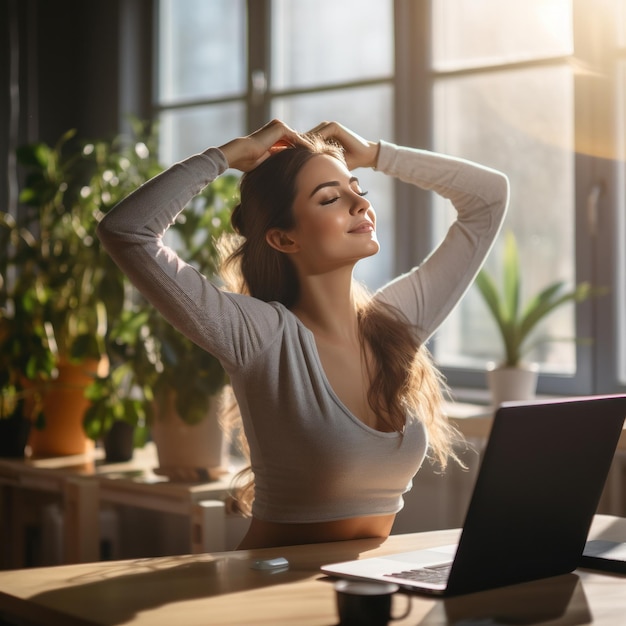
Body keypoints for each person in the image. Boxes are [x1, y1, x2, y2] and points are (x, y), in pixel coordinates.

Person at [97, 119, 509, 549]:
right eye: (330, 198)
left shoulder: (395, 324)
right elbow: (127, 232)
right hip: (271, 591)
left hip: (363, 587)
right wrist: (226, 156)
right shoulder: (259, 334)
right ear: (283, 239)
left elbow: (489, 199)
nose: (359, 204)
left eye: (358, 189)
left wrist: (374, 154)